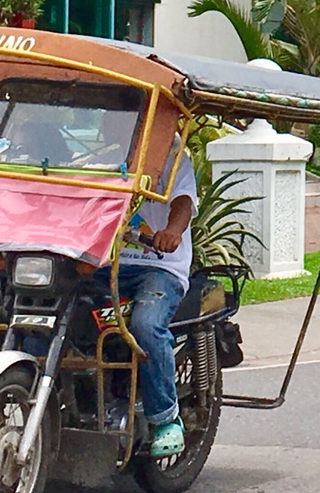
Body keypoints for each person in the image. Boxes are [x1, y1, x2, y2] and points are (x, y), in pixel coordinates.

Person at [104, 144, 197, 456]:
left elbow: (183, 202)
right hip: (105, 263)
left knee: (145, 326)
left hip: (159, 267)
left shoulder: (172, 159)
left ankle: (165, 419)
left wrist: (172, 231)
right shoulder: (104, 155)